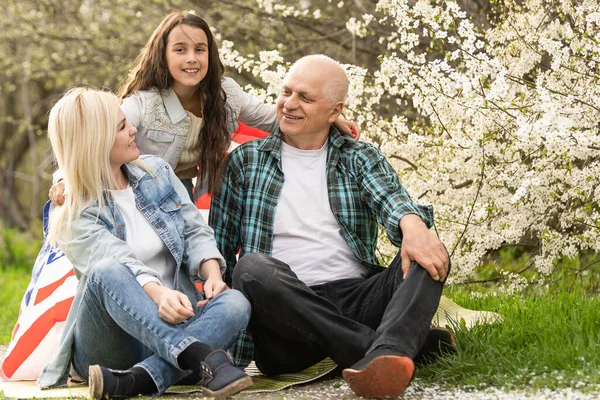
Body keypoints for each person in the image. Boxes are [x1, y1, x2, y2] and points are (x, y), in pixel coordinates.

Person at [209, 55, 453, 398]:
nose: (289, 105)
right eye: (286, 92)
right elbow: (218, 249)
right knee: (251, 268)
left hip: (358, 298)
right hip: (285, 322)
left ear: (335, 111)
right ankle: (383, 349)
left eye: (305, 98)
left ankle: (386, 350)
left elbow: (392, 201)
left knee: (429, 249)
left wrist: (412, 224)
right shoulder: (244, 163)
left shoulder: (358, 157)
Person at [37, 88, 253, 400]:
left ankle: (138, 380)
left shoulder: (158, 172)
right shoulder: (74, 211)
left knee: (236, 303)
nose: (134, 129)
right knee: (106, 270)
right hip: (113, 344)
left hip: (177, 324)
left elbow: (194, 231)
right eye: (123, 127)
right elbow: (119, 259)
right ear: (95, 141)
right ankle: (201, 357)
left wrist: (213, 277)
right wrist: (159, 293)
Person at [49, 11, 358, 204]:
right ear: (164, 55)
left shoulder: (225, 94)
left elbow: (276, 119)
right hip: (133, 186)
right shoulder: (142, 104)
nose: (192, 59)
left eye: (200, 49)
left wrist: (330, 121)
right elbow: (94, 137)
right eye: (180, 50)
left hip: (180, 188)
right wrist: (63, 180)